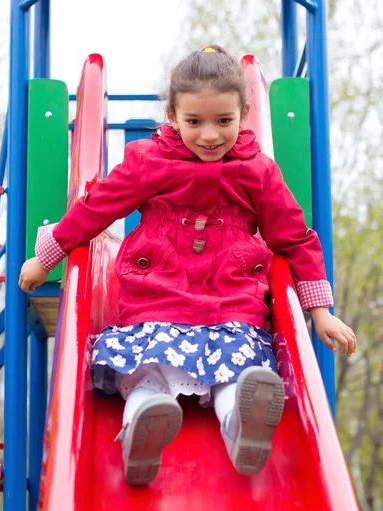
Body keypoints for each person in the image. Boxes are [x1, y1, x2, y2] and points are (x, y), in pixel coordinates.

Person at [19, 45, 356, 486]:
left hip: (231, 301)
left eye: (224, 121)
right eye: (195, 121)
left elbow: (293, 237)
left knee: (240, 368)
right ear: (173, 116)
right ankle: (143, 422)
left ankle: (242, 424)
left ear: (244, 113)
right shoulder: (148, 163)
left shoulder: (258, 171)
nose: (210, 135)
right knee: (149, 364)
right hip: (158, 295)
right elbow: (96, 208)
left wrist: (320, 311)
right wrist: (48, 255)